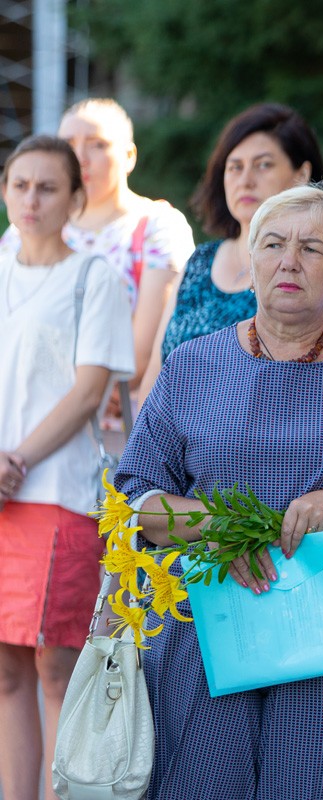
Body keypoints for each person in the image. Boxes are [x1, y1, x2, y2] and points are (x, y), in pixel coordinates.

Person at [113, 183, 323, 799]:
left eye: (313, 248)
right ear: (251, 264)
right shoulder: (193, 365)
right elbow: (136, 496)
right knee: (198, 786)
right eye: (274, 244)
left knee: (309, 789)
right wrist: (214, 527)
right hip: (202, 624)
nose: (290, 260)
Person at [0, 135, 134, 800]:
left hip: (55, 495)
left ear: (77, 199)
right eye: (19, 184)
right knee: (4, 674)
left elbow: (89, 389)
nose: (31, 199)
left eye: (47, 187)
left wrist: (17, 458)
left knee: (58, 670)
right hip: (0, 498)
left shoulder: (94, 277)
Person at [142, 103, 323, 394]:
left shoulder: (319, 266)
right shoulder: (199, 263)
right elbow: (156, 375)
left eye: (263, 164)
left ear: (301, 174)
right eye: (235, 167)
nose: (245, 180)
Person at [0, 99, 192, 403]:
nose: (80, 157)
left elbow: (140, 356)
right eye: (68, 144)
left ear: (129, 155)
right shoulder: (24, 227)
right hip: (19, 405)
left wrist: (84, 389)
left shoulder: (157, 226)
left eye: (97, 144)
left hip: (111, 424)